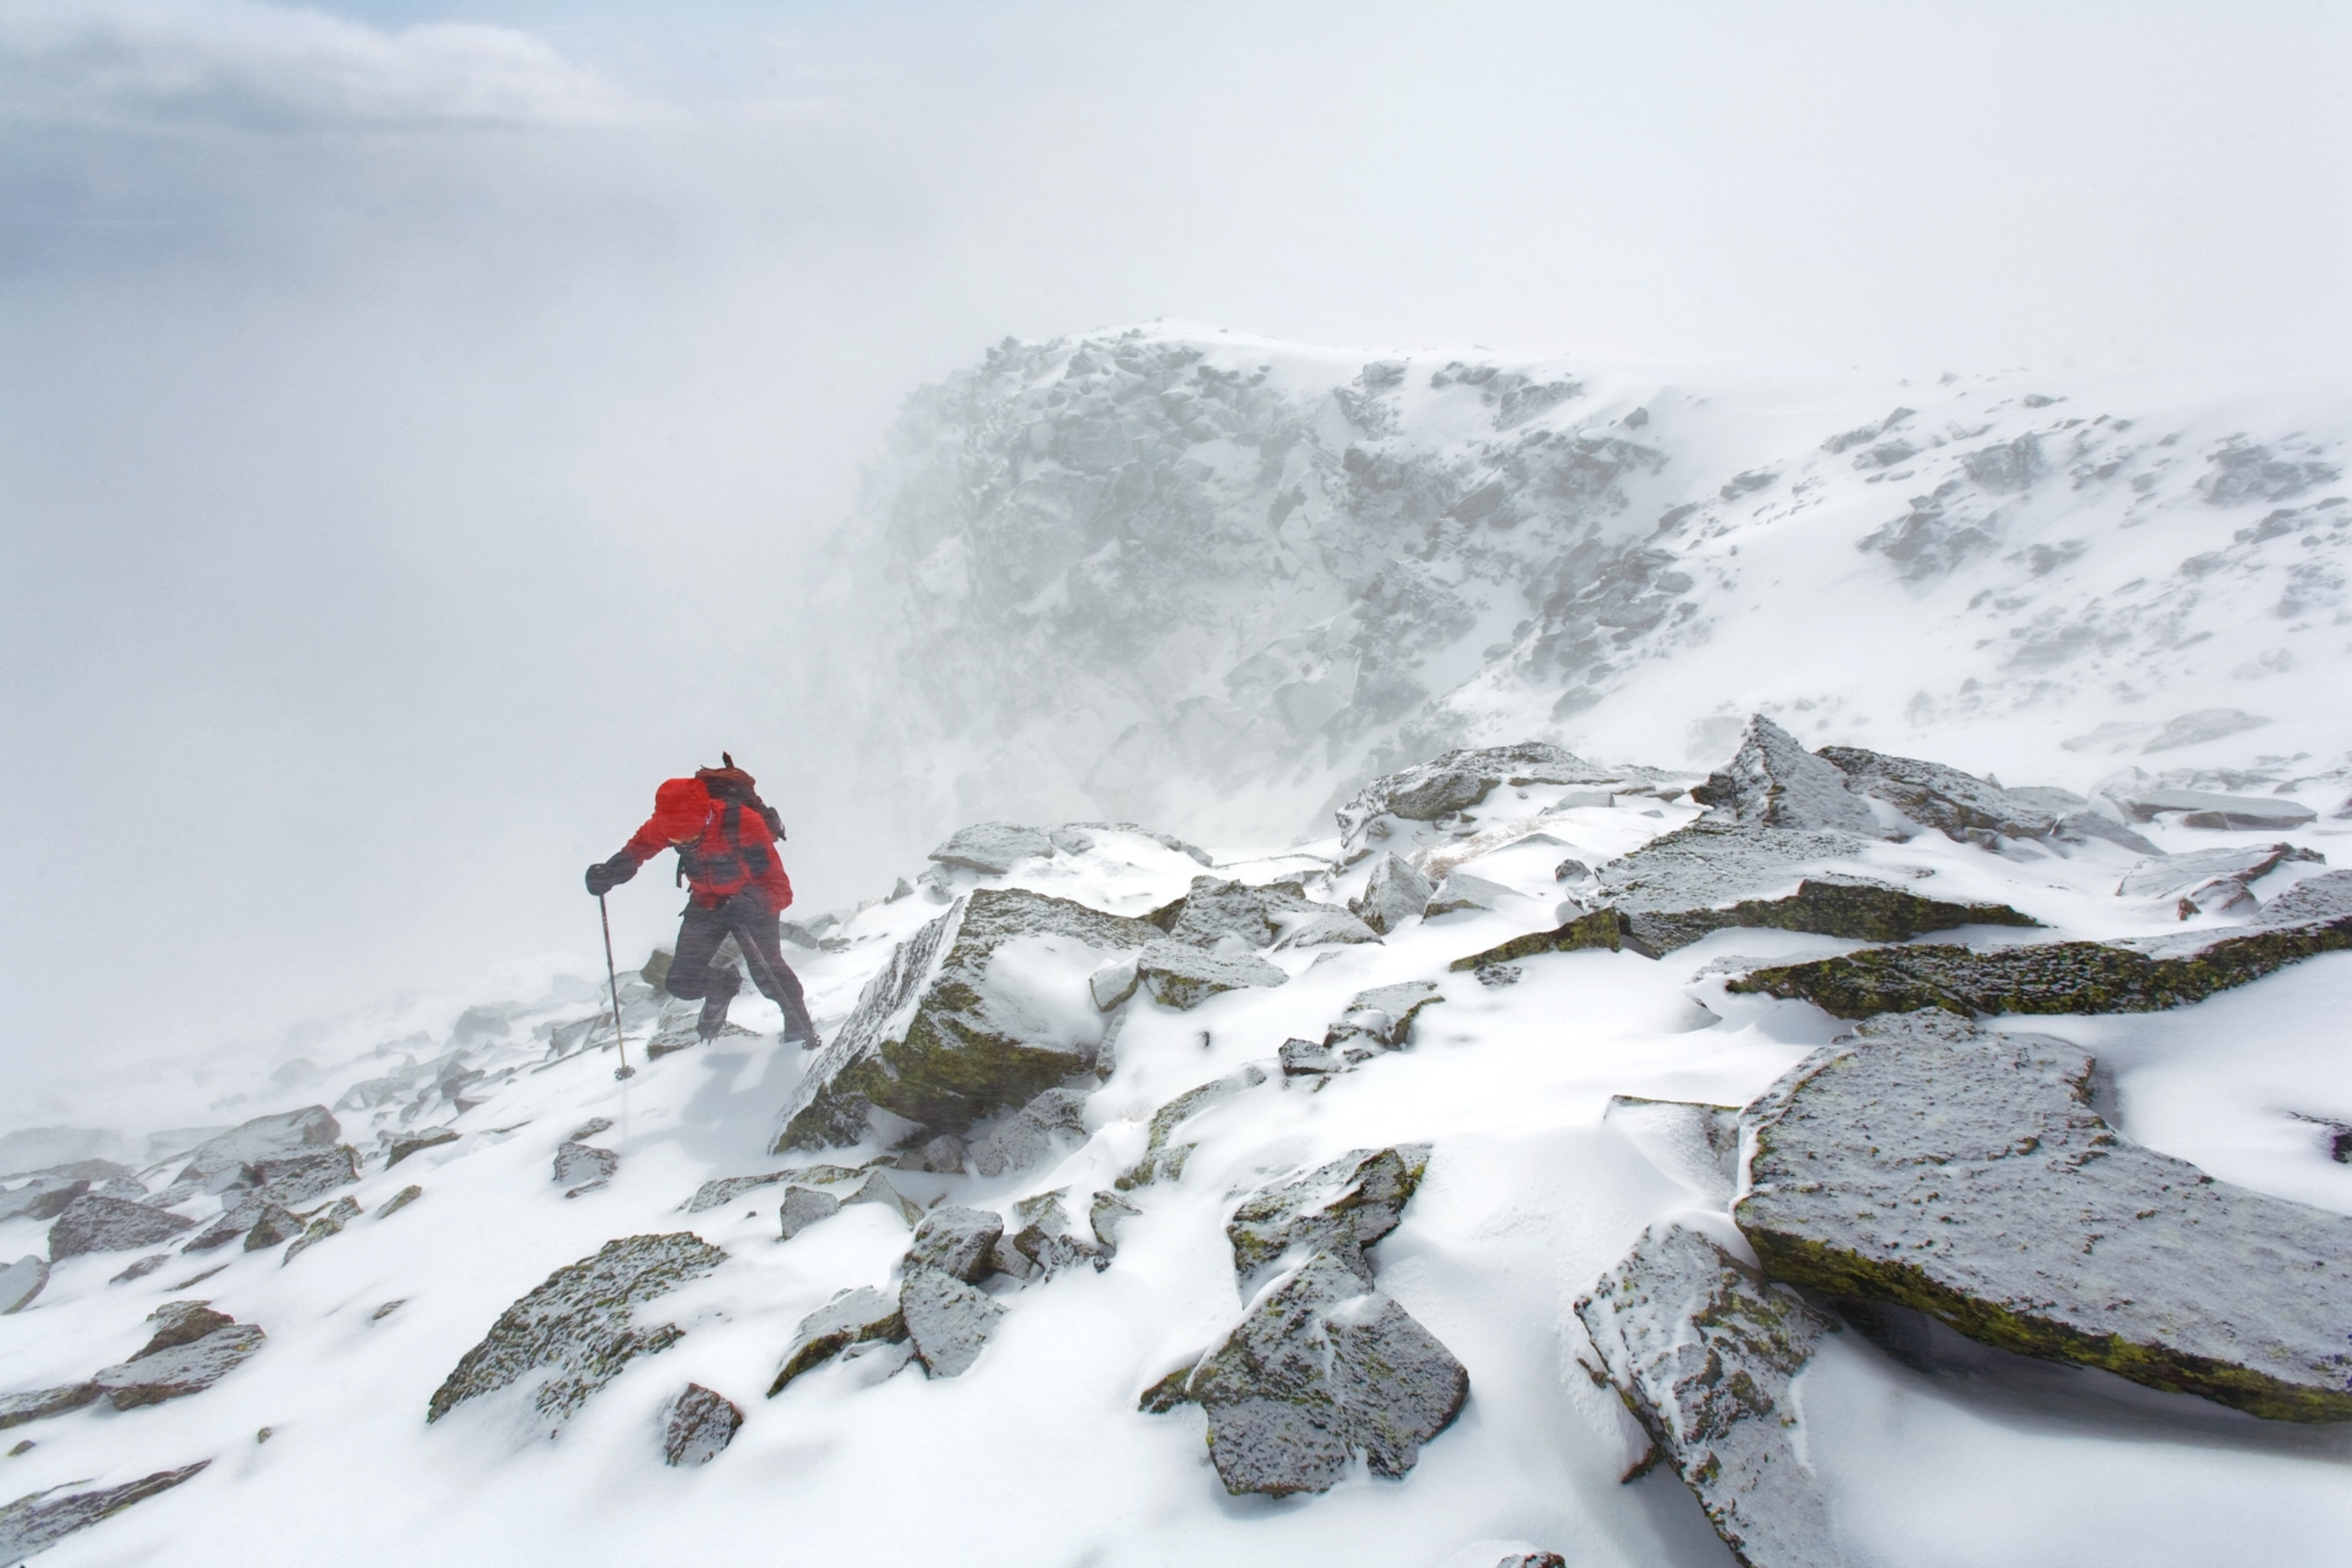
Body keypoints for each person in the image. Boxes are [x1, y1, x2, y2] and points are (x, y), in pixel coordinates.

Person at [583, 756, 820, 1047]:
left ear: (707, 816)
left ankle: (799, 1028)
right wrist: (609, 873)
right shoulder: (664, 824)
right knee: (682, 981)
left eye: (691, 837)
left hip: (751, 902)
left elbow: (780, 888)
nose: (684, 844)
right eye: (676, 841)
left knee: (768, 972)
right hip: (706, 902)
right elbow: (639, 849)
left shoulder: (743, 824)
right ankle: (723, 986)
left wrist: (750, 903)